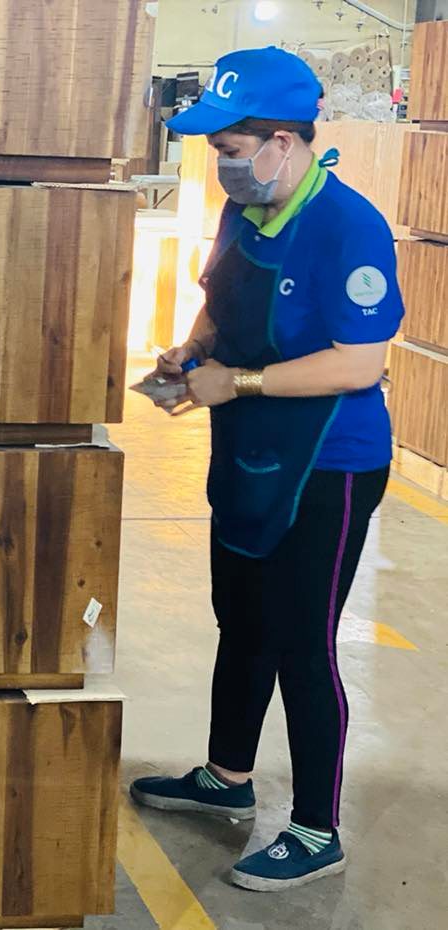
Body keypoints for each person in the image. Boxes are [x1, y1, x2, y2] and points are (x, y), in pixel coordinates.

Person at [129, 48, 403, 892]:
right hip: (251, 449)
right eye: (217, 150)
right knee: (241, 620)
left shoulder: (349, 228)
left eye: (232, 148)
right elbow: (222, 302)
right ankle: (227, 777)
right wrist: (193, 351)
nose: (223, 165)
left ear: (284, 143)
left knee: (300, 641)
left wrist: (238, 382)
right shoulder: (245, 212)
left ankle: (318, 829)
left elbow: (360, 361)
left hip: (328, 463)